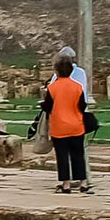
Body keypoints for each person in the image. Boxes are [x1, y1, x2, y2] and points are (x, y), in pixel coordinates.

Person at [40, 55, 91, 193]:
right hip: (76, 125)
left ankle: (66, 184)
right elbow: (82, 106)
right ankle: (83, 182)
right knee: (78, 154)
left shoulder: (52, 87)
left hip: (59, 127)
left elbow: (48, 107)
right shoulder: (77, 86)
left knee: (62, 156)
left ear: (56, 71)